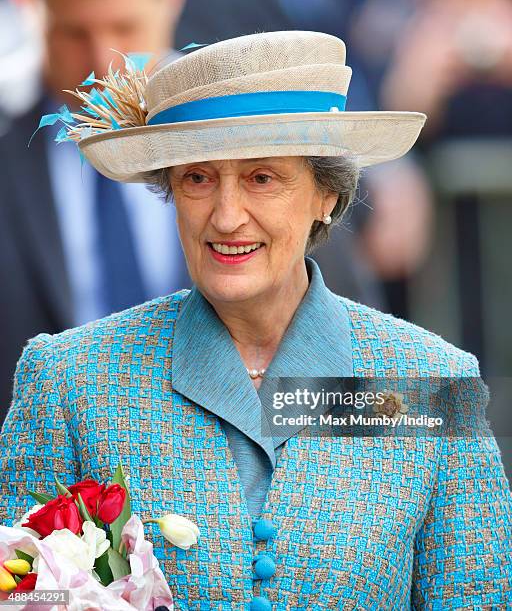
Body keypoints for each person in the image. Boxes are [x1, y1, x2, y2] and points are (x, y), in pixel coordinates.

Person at [1, 31, 511, 609]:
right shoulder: (73, 380)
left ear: (327, 195)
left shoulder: (428, 384)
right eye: (198, 178)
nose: (225, 215)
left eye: (261, 178)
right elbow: (21, 596)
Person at [0, 0, 190, 424]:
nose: (103, 64)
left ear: (173, 7)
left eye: (126, 31)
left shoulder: (248, 137)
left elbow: (332, 341)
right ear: (31, 10)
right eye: (74, 34)